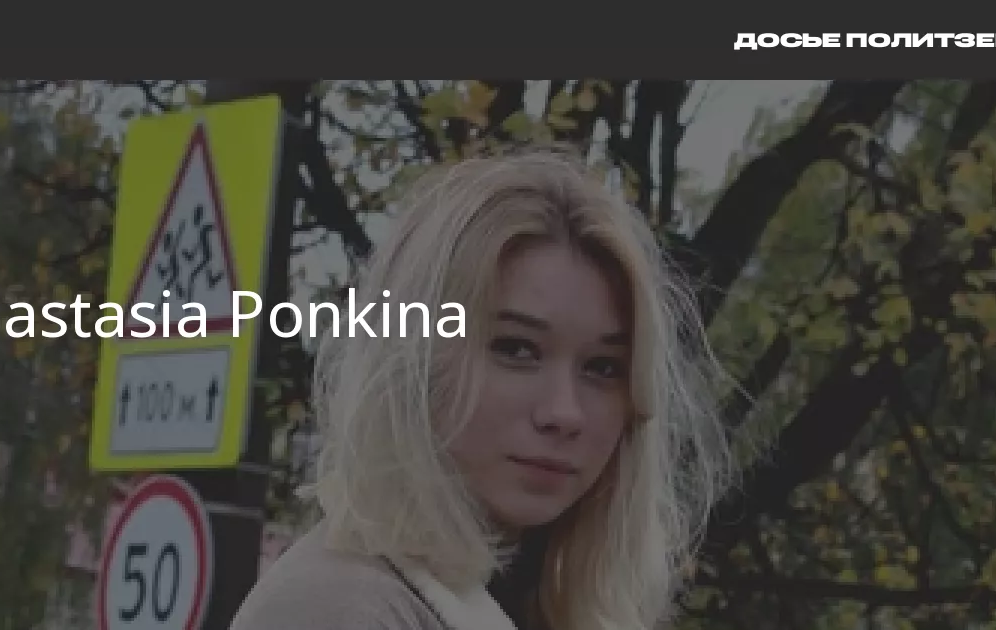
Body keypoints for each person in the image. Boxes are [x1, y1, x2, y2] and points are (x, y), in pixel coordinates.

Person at [230, 144, 739, 630]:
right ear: (414, 361)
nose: (564, 412)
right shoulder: (343, 609)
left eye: (604, 368)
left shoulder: (532, 600)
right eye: (516, 349)